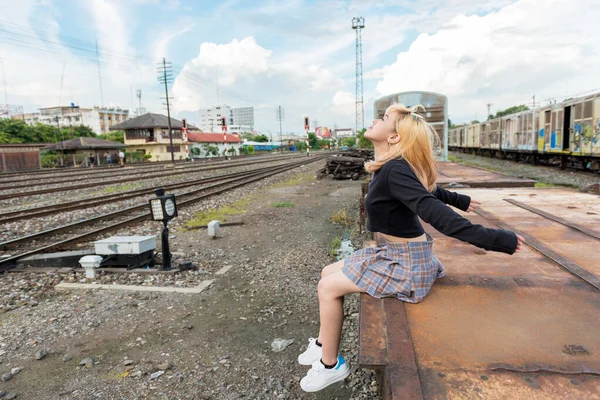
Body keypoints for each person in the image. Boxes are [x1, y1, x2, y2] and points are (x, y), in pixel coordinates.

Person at [297, 104, 525, 393]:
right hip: (394, 253)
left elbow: (437, 214)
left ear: (393, 137)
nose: (374, 120)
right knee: (326, 272)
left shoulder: (394, 170)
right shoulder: (392, 166)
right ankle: (321, 345)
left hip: (406, 264)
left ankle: (331, 366)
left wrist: (499, 239)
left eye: (383, 119)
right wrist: (460, 199)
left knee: (327, 288)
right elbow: (427, 188)